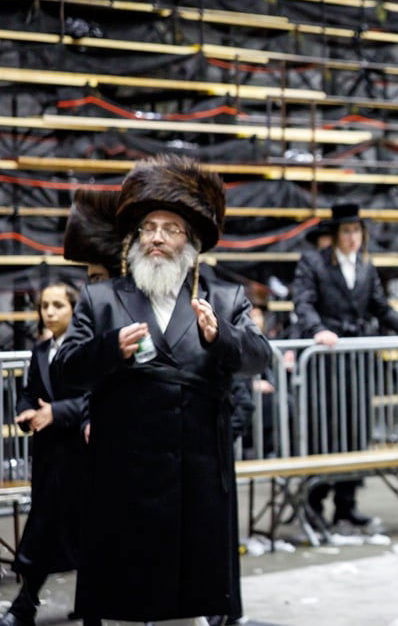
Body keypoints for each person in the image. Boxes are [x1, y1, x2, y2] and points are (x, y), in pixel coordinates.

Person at [53, 155, 271, 624]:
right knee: (122, 605)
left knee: (186, 606)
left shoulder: (226, 299)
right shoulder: (101, 298)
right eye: (149, 226)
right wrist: (110, 348)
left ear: (190, 241)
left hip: (194, 478)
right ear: (134, 238)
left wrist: (221, 338)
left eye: (170, 228)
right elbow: (65, 370)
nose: (156, 237)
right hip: (121, 479)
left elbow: (260, 357)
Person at [291, 202, 398, 530]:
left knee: (357, 428)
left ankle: (346, 505)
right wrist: (318, 330)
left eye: (357, 231)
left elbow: (382, 308)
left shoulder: (366, 265)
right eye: (346, 231)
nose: (353, 238)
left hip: (358, 359)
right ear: (334, 235)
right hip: (327, 362)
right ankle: (315, 503)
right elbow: (302, 303)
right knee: (326, 430)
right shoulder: (313, 262)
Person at [0, 283, 89, 626]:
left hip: (82, 455)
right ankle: (26, 605)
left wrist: (58, 411)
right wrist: (25, 414)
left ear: (73, 309)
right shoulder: (40, 350)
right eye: (44, 306)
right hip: (50, 456)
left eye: (57, 305)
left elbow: (95, 397)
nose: (49, 312)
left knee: (81, 531)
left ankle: (35, 605)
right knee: (45, 529)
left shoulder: (87, 349)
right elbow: (30, 393)